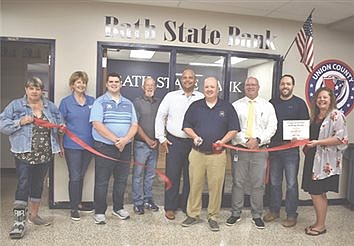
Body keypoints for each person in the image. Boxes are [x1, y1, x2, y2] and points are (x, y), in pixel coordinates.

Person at [0, 77, 63, 239]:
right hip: (24, 153)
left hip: (45, 154)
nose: (35, 91)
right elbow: (2, 124)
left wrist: (61, 128)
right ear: (26, 89)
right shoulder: (16, 105)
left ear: (42, 90)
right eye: (31, 88)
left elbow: (60, 123)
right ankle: (19, 222)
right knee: (23, 184)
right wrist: (20, 121)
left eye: (38, 89)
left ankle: (34, 216)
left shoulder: (50, 106)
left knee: (38, 184)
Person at [181, 77, 240, 231]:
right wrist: (194, 136)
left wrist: (223, 141)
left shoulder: (227, 107)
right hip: (197, 154)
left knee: (216, 187)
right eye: (206, 87)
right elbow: (186, 126)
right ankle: (193, 215)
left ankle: (213, 217)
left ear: (217, 88)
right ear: (203, 88)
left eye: (212, 87)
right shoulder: (195, 106)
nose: (209, 89)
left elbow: (234, 129)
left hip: (217, 155)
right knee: (194, 185)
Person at [226, 76, 277, 229]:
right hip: (240, 149)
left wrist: (258, 140)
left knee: (258, 184)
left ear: (258, 86)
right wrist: (245, 142)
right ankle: (235, 213)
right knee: (238, 182)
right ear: (244, 87)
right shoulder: (235, 106)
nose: (250, 87)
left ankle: (257, 215)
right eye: (247, 84)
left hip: (260, 150)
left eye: (253, 84)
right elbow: (232, 127)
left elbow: (272, 127)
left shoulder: (267, 106)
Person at [155, 68, 204, 220]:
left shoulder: (201, 97)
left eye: (191, 77)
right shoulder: (171, 96)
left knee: (192, 177)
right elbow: (160, 116)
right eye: (185, 77)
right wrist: (161, 138)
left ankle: (187, 206)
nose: (187, 80)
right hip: (174, 142)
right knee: (172, 175)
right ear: (180, 80)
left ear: (195, 80)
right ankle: (170, 207)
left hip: (194, 143)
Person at [89, 72, 138, 224]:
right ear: (107, 84)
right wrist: (115, 140)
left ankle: (118, 208)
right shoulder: (99, 102)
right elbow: (97, 124)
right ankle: (99, 212)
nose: (114, 84)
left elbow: (134, 125)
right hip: (105, 147)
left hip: (125, 147)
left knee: (122, 180)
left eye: (117, 81)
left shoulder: (128, 103)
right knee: (102, 181)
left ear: (121, 83)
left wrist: (125, 140)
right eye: (111, 81)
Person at [263, 74, 309, 227]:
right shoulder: (272, 103)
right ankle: (274, 211)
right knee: (275, 182)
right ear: (279, 86)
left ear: (292, 86)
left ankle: (291, 214)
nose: (285, 86)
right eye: (282, 84)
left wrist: (299, 137)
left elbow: (305, 126)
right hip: (274, 148)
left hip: (291, 150)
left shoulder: (299, 103)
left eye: (288, 84)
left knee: (291, 184)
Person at [302, 87, 348, 236]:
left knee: (317, 193)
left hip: (325, 162)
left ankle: (320, 226)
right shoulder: (316, 116)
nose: (321, 100)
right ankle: (318, 222)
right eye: (319, 97)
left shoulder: (336, 115)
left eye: (325, 98)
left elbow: (340, 138)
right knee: (317, 193)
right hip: (314, 159)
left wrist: (317, 142)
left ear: (331, 100)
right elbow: (310, 136)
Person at [59, 71, 95, 221]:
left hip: (89, 146)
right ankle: (73, 208)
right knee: (74, 176)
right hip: (71, 146)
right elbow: (60, 126)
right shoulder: (66, 102)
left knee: (81, 175)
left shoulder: (92, 101)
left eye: (83, 82)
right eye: (78, 82)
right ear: (72, 85)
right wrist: (60, 146)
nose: (81, 85)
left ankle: (78, 203)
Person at [132, 76, 161, 214]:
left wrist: (157, 140)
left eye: (152, 85)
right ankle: (138, 202)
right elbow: (135, 124)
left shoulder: (159, 103)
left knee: (150, 175)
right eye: (147, 85)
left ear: (155, 87)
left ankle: (148, 200)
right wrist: (147, 140)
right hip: (141, 144)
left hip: (155, 145)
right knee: (138, 174)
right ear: (143, 88)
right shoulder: (137, 103)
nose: (150, 87)